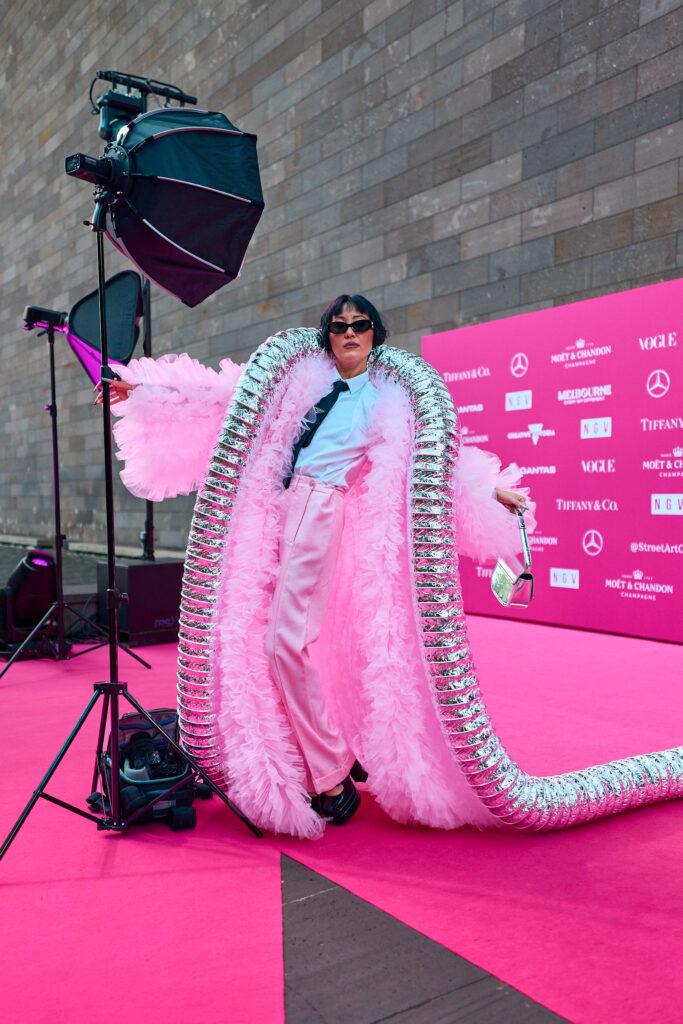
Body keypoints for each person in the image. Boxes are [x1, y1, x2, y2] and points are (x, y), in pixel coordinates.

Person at [103, 294, 534, 838]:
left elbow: (431, 459)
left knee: (283, 643)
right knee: (278, 640)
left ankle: (332, 772)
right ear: (327, 335)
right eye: (339, 326)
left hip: (320, 505)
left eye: (360, 326)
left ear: (375, 334)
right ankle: (334, 756)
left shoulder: (386, 401)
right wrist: (145, 392)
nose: (349, 334)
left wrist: (493, 491)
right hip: (278, 508)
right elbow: (227, 398)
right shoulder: (302, 379)